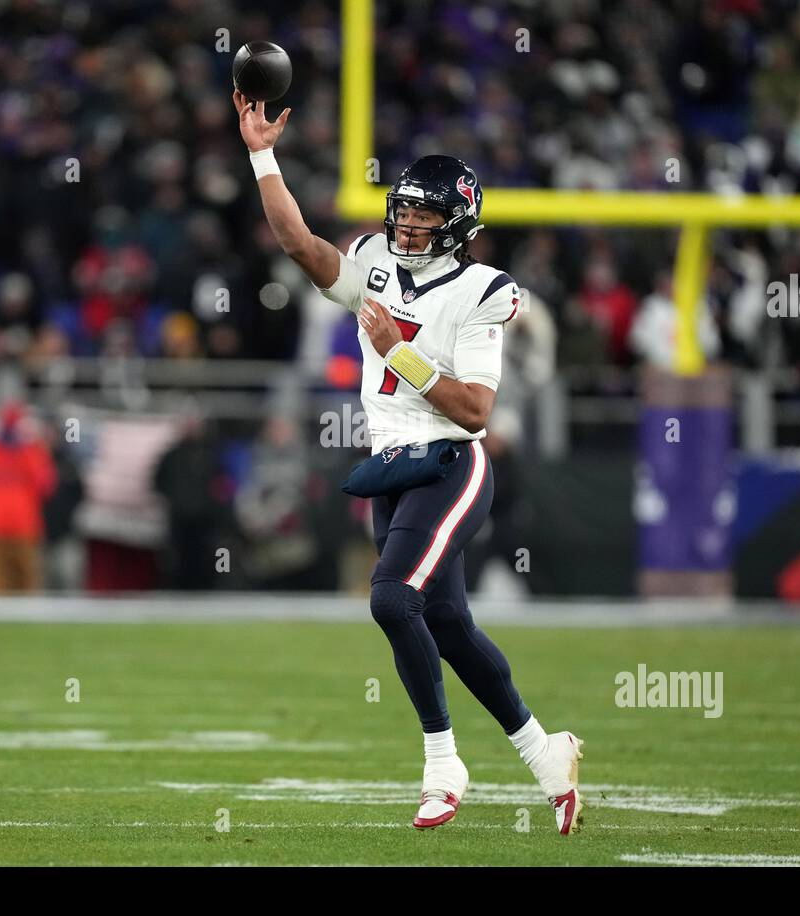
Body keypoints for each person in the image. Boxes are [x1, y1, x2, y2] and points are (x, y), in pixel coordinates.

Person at [236, 90, 584, 835]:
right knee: (449, 624)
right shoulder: (374, 260)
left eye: (425, 215)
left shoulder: (483, 290)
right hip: (390, 469)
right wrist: (262, 152)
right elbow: (300, 243)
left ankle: (441, 762)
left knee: (393, 598)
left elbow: (475, 410)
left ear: (456, 225)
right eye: (405, 209)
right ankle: (544, 754)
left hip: (452, 467)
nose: (408, 223)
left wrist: (399, 350)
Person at [0, 401, 57, 594]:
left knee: (9, 585)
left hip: (10, 526)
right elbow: (47, 486)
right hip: (8, 527)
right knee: (13, 585)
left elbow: (46, 485)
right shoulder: (28, 452)